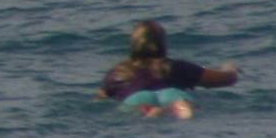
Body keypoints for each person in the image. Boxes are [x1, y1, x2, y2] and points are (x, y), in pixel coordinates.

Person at [98, 20, 240, 118]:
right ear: (163, 44)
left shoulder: (118, 73)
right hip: (172, 94)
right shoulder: (175, 67)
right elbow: (228, 79)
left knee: (140, 111)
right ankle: (179, 108)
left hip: (135, 99)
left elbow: (100, 100)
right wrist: (230, 68)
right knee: (184, 106)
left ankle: (153, 111)